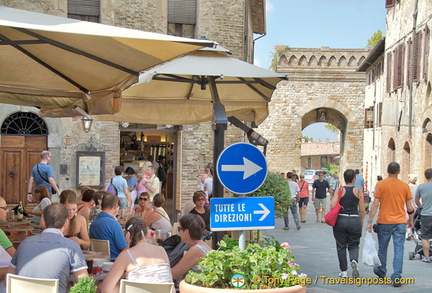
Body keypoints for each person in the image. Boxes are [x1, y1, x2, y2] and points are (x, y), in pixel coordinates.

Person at [9, 203, 88, 293]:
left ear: (43, 221)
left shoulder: (24, 243)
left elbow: (8, 278)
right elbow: (84, 284)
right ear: (66, 223)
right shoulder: (71, 246)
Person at [367, 162, 414, 287]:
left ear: (387, 171)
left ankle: (381, 271)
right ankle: (397, 276)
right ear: (398, 172)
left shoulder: (381, 184)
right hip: (400, 221)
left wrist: (370, 221)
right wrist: (411, 220)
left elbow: (375, 204)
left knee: (382, 248)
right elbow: (409, 207)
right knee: (399, 249)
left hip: (384, 221)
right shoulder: (405, 186)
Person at [101, 217, 173, 293]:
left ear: (128, 235)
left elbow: (106, 290)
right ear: (147, 234)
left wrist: (125, 288)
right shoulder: (162, 251)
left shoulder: (126, 255)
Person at [331, 169, 365, 278]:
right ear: (354, 179)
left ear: (344, 179)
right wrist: (361, 221)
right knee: (354, 244)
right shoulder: (359, 192)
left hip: (341, 219)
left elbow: (332, 206)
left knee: (341, 246)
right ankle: (354, 260)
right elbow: (362, 210)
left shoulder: (339, 190)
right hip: (355, 219)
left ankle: (344, 271)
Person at [171, 214, 211, 281]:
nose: (178, 232)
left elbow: (174, 274)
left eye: (179, 229)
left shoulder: (196, 250)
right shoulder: (202, 245)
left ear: (186, 232)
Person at [90, 194, 128, 259]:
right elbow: (124, 248)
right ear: (115, 206)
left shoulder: (94, 223)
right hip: (114, 260)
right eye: (118, 207)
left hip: (98, 261)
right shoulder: (114, 224)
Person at [414, 168, 432, 263]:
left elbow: (416, 200)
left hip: (426, 214)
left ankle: (427, 257)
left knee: (425, 236)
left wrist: (421, 207)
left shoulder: (421, 187)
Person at [406, 174, 418, 240]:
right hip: (415, 206)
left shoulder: (407, 187)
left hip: (408, 205)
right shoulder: (417, 187)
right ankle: (412, 233)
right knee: (414, 220)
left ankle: (409, 233)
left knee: (408, 219)